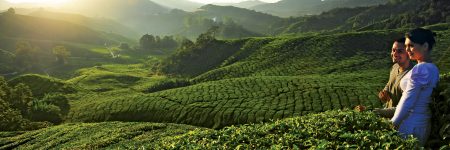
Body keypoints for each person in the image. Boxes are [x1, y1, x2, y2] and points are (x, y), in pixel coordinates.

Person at [391, 28, 439, 146]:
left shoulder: (421, 69)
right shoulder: (432, 68)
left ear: (425, 46)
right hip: (420, 124)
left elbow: (408, 100)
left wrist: (392, 123)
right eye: (406, 46)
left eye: (411, 46)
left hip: (410, 125)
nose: (407, 50)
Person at [374, 38, 414, 118]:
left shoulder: (412, 75)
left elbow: (405, 109)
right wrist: (384, 93)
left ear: (408, 53)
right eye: (393, 50)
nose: (394, 54)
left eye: (400, 51)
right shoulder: (394, 67)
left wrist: (377, 112)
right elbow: (389, 85)